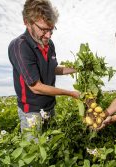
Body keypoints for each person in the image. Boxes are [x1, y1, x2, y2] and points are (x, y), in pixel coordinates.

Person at [8, 0, 80, 131]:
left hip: (50, 107)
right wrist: (70, 93)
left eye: (51, 30)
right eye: (43, 29)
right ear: (27, 22)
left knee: (52, 145)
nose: (48, 35)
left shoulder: (49, 44)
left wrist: (78, 68)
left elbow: (53, 69)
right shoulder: (20, 46)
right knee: (34, 150)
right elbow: (36, 87)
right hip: (31, 112)